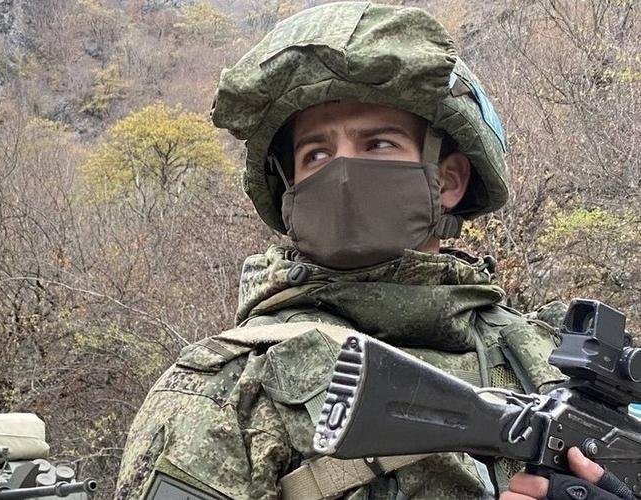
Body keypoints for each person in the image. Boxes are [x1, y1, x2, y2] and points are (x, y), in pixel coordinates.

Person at [115, 3, 632, 500]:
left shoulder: (544, 357)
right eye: (316, 153)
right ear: (291, 193)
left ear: (448, 180)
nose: (342, 174)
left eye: (379, 144)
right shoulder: (228, 389)